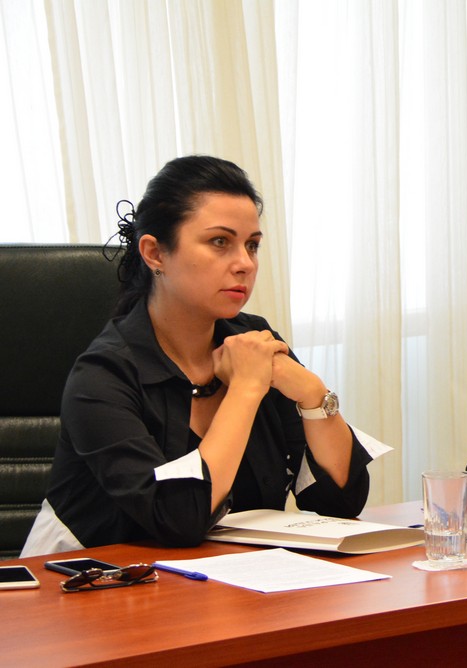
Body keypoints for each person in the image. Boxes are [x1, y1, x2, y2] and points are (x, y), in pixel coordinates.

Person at [21, 155, 372, 557]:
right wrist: (245, 389)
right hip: (95, 585)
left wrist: (313, 395)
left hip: (233, 581)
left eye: (252, 245)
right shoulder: (102, 376)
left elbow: (340, 502)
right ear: (155, 253)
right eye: (220, 242)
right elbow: (179, 517)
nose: (245, 264)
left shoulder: (253, 342)